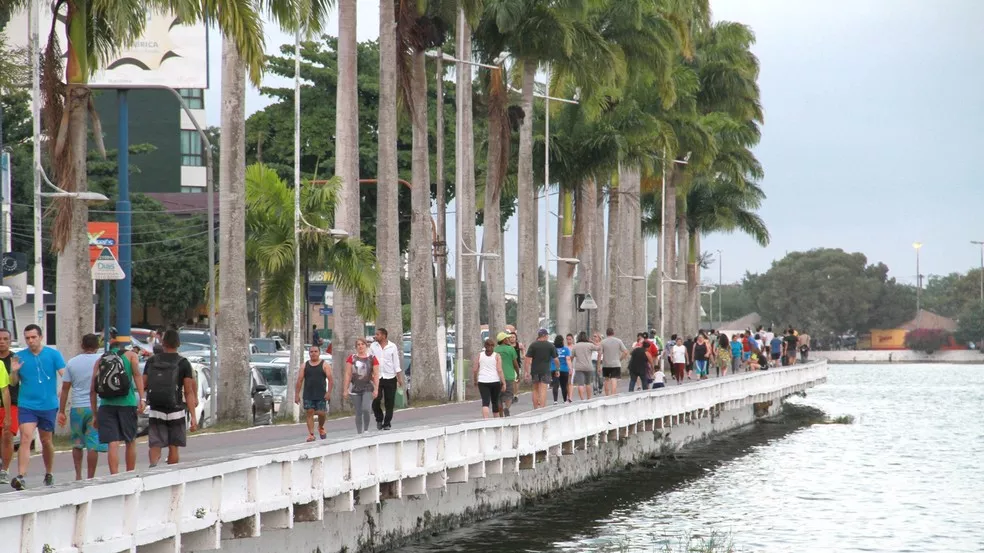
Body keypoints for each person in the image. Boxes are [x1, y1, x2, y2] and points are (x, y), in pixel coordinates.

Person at [10, 324, 66, 489]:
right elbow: (13, 382)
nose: (30, 341)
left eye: (33, 337)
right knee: (26, 437)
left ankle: (49, 472)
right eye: (27, 338)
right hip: (27, 404)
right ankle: (21, 476)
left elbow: (65, 375)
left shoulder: (53, 354)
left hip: (48, 405)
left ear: (40, 337)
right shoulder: (19, 357)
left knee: (46, 440)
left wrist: (62, 391)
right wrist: (14, 371)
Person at [92, 334, 144, 476]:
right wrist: (142, 399)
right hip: (127, 403)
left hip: (106, 405)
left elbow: (93, 389)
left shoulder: (101, 360)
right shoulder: (131, 356)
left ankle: (114, 476)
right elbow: (137, 375)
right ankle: (130, 474)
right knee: (130, 440)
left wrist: (95, 414)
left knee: (113, 443)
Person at [144, 329, 197, 466]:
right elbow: (188, 392)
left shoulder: (152, 361)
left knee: (155, 444)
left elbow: (144, 384)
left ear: (163, 342)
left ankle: (153, 469)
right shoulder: (183, 363)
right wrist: (193, 416)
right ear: (178, 344)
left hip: (156, 408)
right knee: (173, 446)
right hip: (176, 410)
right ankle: (171, 473)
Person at [58, 334, 107, 480]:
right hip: (96, 407)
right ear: (97, 346)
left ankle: (78, 475)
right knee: (93, 443)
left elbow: (65, 389)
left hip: (77, 408)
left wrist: (62, 411)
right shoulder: (102, 360)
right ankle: (90, 477)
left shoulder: (72, 363)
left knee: (77, 443)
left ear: (82, 345)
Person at [295, 345, 333, 441]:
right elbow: (299, 380)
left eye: (315, 351)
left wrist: (329, 392)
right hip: (308, 394)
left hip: (321, 394)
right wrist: (297, 395)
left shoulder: (325, 365)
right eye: (311, 352)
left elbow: (330, 380)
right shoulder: (304, 366)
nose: (313, 353)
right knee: (309, 412)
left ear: (319, 353)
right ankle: (311, 434)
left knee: (321, 413)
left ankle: (321, 427)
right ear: (309, 353)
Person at [343, 338, 379, 434]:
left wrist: (376, 389)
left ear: (366, 346)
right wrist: (345, 389)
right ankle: (359, 432)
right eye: (358, 344)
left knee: (366, 409)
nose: (360, 346)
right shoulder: (352, 358)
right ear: (356, 347)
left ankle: (366, 429)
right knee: (358, 411)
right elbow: (348, 374)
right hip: (355, 387)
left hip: (368, 387)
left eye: (362, 344)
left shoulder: (372, 358)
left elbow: (376, 375)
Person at [370, 328, 403, 430]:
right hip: (377, 377)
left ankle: (387, 423)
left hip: (390, 377)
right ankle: (379, 419)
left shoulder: (392, 346)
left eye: (378, 334)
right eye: (376, 334)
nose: (376, 336)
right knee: (376, 400)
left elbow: (396, 363)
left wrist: (399, 378)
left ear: (384, 336)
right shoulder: (373, 346)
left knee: (389, 402)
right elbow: (370, 361)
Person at [524, 328, 558, 409]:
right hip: (545, 370)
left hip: (535, 370)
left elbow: (527, 360)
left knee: (535, 389)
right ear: (545, 336)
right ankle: (542, 408)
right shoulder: (550, 345)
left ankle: (535, 408)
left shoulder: (533, 345)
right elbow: (556, 359)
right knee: (543, 389)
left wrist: (527, 372)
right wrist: (557, 368)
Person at [0, 328, 17, 484]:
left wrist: (14, 371)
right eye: (0, 339)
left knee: (7, 434)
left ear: (10, 341)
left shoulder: (14, 359)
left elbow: (13, 383)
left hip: (12, 403)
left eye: (5, 339)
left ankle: (5, 470)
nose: (2, 342)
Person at [472, 338, 506, 419]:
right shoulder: (497, 356)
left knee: (485, 402)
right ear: (493, 346)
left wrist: (475, 380)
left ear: (485, 346)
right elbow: (499, 370)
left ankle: (486, 420)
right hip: (495, 381)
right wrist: (503, 382)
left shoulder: (480, 355)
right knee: (495, 401)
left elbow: (475, 369)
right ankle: (496, 420)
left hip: (482, 381)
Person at [494, 332, 519, 416]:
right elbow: (515, 364)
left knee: (498, 397)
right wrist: (518, 373)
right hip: (508, 376)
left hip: (497, 377)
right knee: (509, 395)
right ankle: (507, 408)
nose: (508, 339)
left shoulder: (495, 350)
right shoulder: (510, 349)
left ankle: (501, 415)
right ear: (504, 340)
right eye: (507, 338)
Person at [570, 332, 600, 400]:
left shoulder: (575, 346)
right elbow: (599, 347)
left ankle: (582, 399)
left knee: (580, 384)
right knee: (588, 383)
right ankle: (589, 398)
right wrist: (592, 342)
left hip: (579, 367)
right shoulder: (590, 345)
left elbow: (572, 357)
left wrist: (570, 365)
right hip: (588, 367)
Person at [599, 328, 628, 396]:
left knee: (606, 380)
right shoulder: (618, 341)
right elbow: (625, 352)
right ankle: (613, 395)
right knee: (614, 379)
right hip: (616, 364)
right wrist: (620, 359)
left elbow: (600, 354)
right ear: (613, 333)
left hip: (606, 364)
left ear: (606, 333)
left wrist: (598, 365)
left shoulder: (603, 342)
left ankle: (607, 395)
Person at [551, 335, 572, 404]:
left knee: (555, 385)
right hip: (564, 369)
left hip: (554, 368)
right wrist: (570, 368)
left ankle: (555, 401)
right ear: (562, 341)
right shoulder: (566, 349)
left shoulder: (552, 349)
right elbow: (568, 359)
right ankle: (565, 400)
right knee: (564, 385)